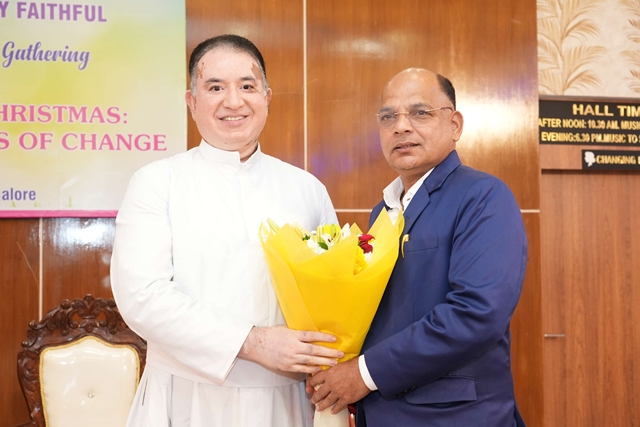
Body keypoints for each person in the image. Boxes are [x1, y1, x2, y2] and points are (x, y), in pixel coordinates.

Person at [110, 34, 344, 427]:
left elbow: (334, 293)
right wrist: (256, 342)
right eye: (215, 87)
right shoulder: (156, 182)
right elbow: (142, 296)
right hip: (186, 397)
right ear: (192, 102)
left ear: (267, 97)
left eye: (247, 86)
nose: (233, 101)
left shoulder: (307, 189)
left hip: (285, 399)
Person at [309, 68, 528, 426]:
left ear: (455, 125)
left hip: (454, 417)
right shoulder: (382, 212)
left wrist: (362, 374)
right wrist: (337, 368)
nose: (401, 127)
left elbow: (476, 314)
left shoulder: (483, 196)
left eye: (420, 112)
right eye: (388, 117)